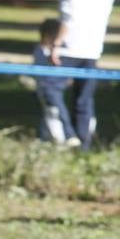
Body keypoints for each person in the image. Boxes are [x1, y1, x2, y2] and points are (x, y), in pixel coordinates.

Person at [52, 0, 115, 151]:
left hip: (71, 44)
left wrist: (57, 42)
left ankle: (69, 134)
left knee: (50, 89)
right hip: (93, 46)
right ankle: (83, 144)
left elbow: (69, 12)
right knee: (84, 98)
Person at [33, 17, 76, 146]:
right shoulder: (41, 51)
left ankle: (46, 137)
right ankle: (68, 135)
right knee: (57, 111)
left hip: (54, 88)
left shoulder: (58, 51)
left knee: (52, 113)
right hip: (46, 88)